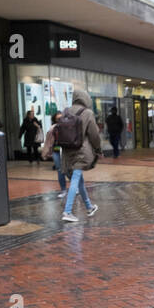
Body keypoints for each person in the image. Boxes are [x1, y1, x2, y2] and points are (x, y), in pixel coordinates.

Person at [58, 88, 100, 222]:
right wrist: (98, 148)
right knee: (76, 179)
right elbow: (94, 134)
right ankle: (67, 211)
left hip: (66, 151)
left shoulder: (66, 111)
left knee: (78, 178)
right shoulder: (87, 113)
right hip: (81, 151)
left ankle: (89, 207)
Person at [41, 112, 69, 195]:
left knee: (69, 169)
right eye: (58, 119)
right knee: (60, 170)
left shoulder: (68, 127)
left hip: (66, 151)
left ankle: (76, 187)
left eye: (61, 118)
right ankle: (63, 189)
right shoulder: (52, 129)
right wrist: (45, 153)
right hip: (56, 151)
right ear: (54, 120)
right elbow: (48, 142)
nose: (60, 120)